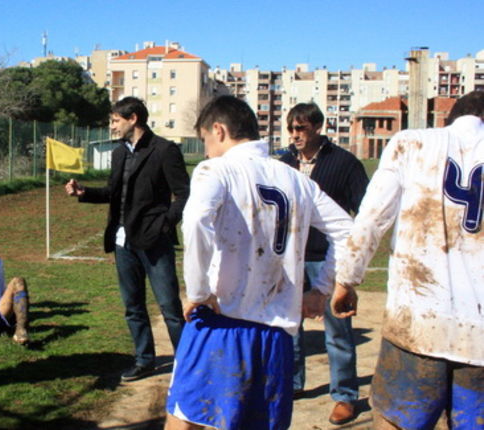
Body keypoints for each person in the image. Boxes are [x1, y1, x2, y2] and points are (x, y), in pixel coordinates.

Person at [166, 96, 353, 429]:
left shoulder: (216, 169)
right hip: (276, 334)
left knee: (185, 418)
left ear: (219, 130)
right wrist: (321, 289)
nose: (206, 151)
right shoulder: (296, 178)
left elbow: (194, 220)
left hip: (221, 321)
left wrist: (197, 291)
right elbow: (348, 231)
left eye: (206, 141)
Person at [331, 91, 484, 429]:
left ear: (449, 119)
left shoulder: (412, 142)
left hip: (419, 320)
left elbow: (371, 219)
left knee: (398, 422)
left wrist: (346, 279)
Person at [65, 96, 189, 382]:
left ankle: (186, 365)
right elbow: (114, 192)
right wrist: (85, 192)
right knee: (133, 307)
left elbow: (184, 194)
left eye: (115, 120)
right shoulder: (120, 152)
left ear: (133, 118)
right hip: (123, 241)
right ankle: (144, 360)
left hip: (155, 242)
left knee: (170, 307)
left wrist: (165, 224)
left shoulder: (164, 150)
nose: (112, 126)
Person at [279, 102, 368, 425]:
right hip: (291, 259)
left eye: (300, 128)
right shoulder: (284, 163)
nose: (294, 134)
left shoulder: (344, 163)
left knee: (338, 331)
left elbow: (363, 212)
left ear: (318, 127)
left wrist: (349, 265)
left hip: (328, 259)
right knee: (290, 327)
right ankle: (291, 383)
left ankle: (344, 395)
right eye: (290, 128)